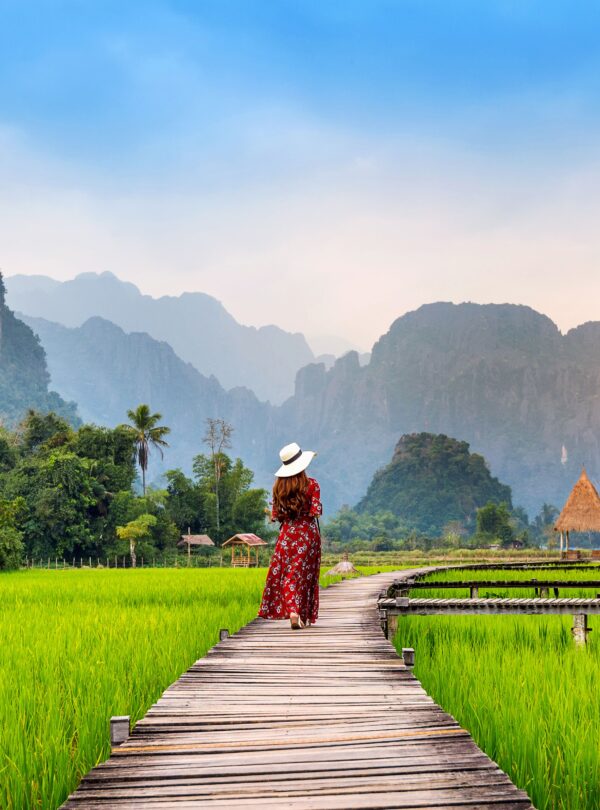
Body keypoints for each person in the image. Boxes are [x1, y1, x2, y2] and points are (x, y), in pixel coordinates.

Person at [258, 442, 322, 630]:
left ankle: (295, 613)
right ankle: (297, 612)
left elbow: (276, 516)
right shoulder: (312, 485)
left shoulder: (279, 488)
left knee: (288, 574)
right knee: (304, 574)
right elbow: (315, 511)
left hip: (287, 536)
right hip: (308, 535)